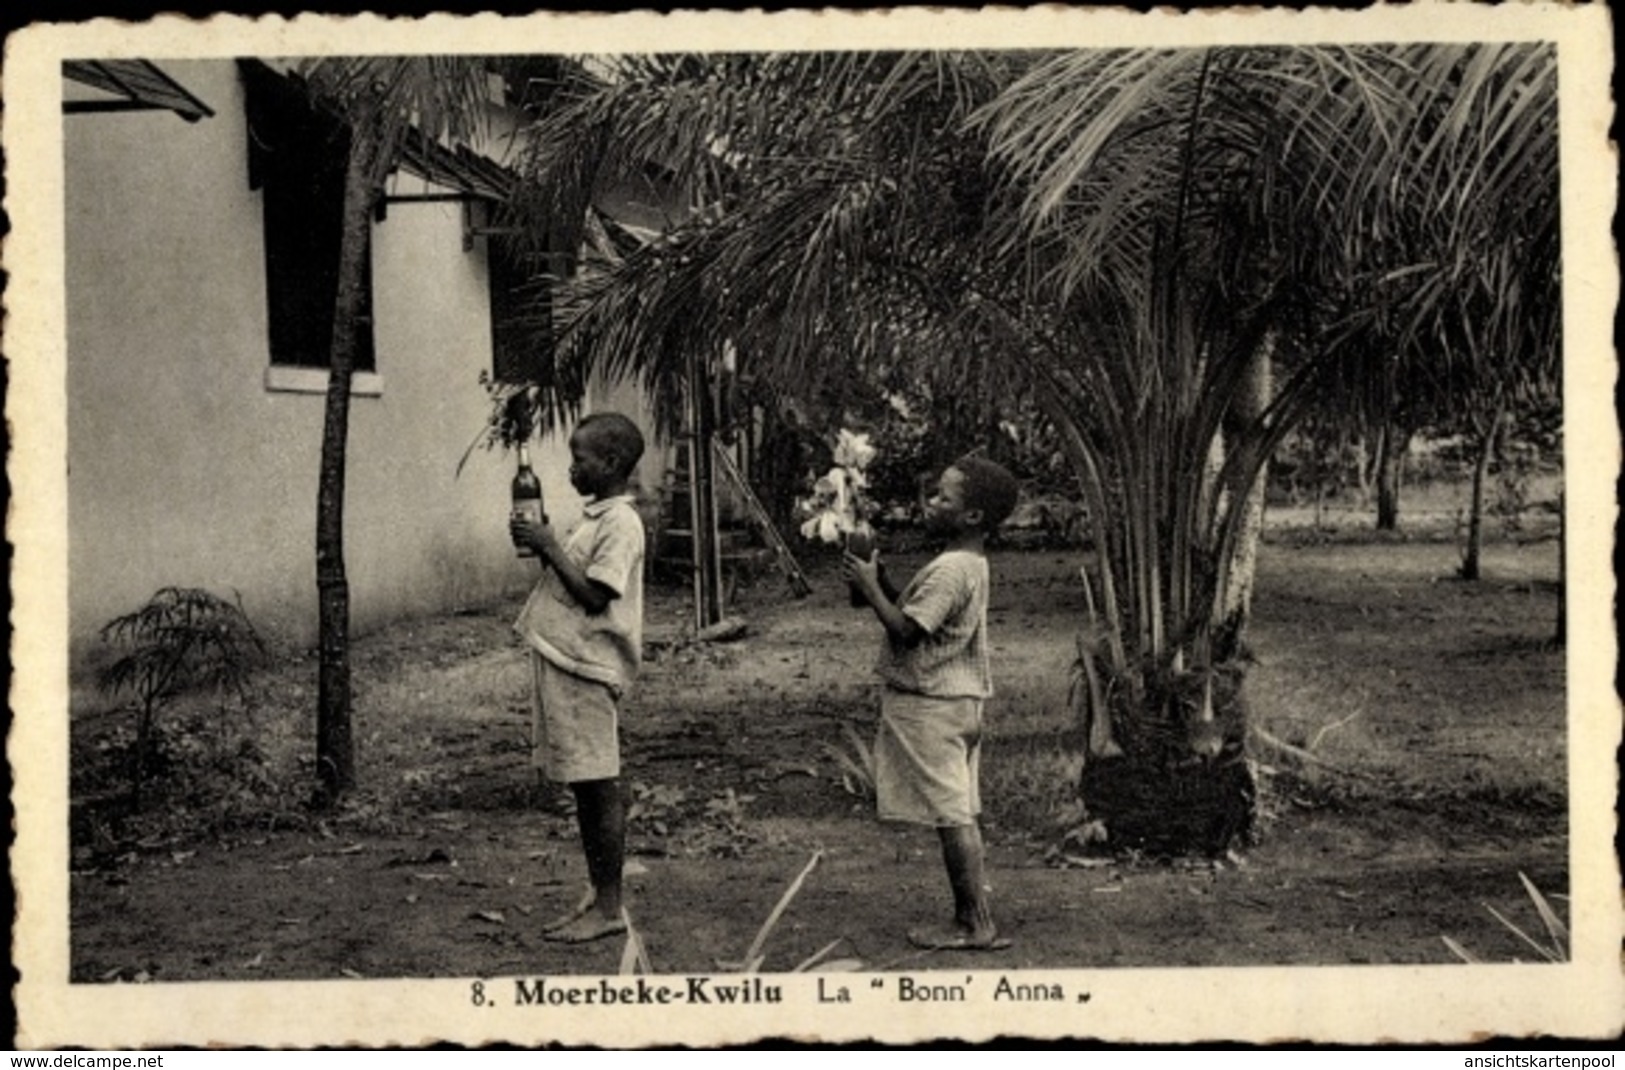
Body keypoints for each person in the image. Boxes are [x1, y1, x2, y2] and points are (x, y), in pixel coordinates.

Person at [843, 455, 1020, 951]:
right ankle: (973, 917)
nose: (930, 503)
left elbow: (906, 630)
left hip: (934, 705)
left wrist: (870, 587)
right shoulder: (968, 564)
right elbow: (917, 615)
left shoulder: (950, 569)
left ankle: (974, 923)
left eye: (944, 497)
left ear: (972, 517)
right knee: (957, 810)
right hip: (958, 702)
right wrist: (878, 585)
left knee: (952, 814)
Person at [509, 412, 646, 944]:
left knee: (597, 785)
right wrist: (543, 546)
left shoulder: (621, 524)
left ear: (609, 463)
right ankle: (600, 891)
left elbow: (594, 595)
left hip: (587, 668)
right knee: (584, 786)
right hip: (566, 661)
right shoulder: (596, 517)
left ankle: (609, 907)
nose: (570, 469)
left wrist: (548, 546)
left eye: (579, 459)